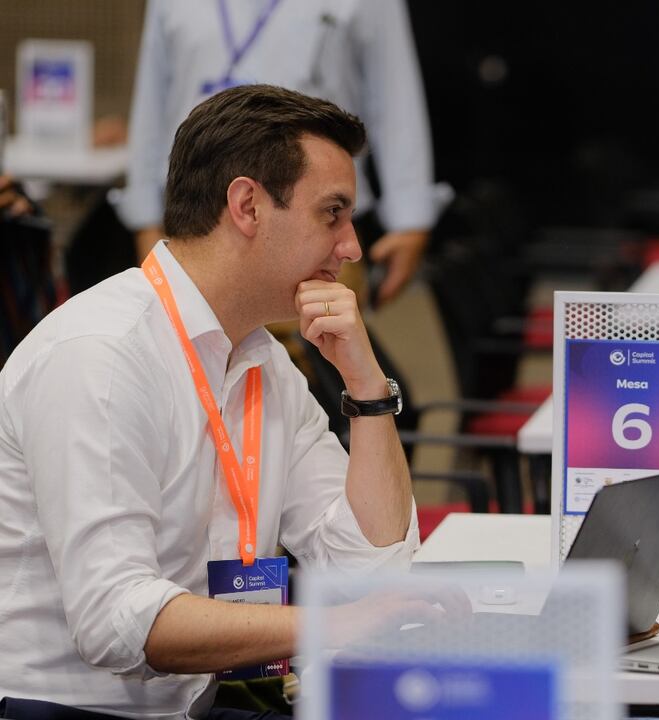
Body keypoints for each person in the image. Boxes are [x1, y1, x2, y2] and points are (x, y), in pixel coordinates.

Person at [0, 85, 422, 719]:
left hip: (192, 705)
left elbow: (373, 568)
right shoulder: (102, 356)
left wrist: (366, 390)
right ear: (247, 205)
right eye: (332, 213)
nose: (352, 247)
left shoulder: (261, 359)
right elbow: (116, 622)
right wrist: (330, 624)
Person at [119, 0, 436, 305]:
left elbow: (394, 94)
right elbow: (152, 99)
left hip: (319, 226)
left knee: (323, 335)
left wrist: (410, 220)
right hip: (199, 220)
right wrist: (146, 219)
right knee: (193, 337)